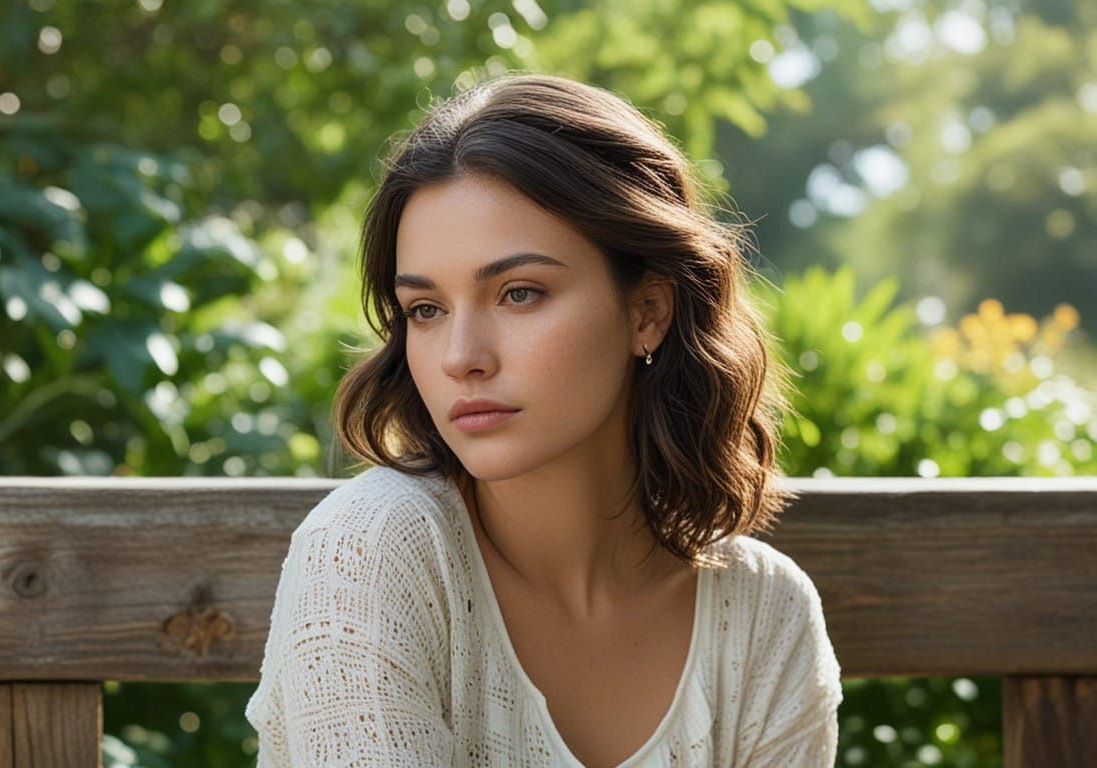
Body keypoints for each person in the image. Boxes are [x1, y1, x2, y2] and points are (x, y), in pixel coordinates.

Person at [244, 71, 842, 767]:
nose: (461, 358)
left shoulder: (764, 619)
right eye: (426, 310)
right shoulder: (372, 551)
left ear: (647, 310)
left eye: (519, 293)